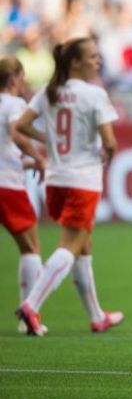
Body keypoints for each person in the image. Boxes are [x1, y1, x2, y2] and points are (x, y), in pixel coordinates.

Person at [15, 37, 123, 335]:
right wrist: (107, 156)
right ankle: (31, 305)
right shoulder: (94, 94)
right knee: (70, 246)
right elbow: (111, 142)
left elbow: (21, 126)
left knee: (82, 244)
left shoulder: (49, 92)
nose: (97, 61)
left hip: (55, 181)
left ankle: (97, 315)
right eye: (92, 56)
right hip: (82, 180)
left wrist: (49, 141)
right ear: (74, 61)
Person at [0, 56, 47, 334]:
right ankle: (29, 317)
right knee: (30, 248)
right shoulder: (14, 104)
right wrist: (38, 158)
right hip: (7, 186)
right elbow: (17, 134)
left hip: (7, 175)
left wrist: (27, 161)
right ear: (14, 78)